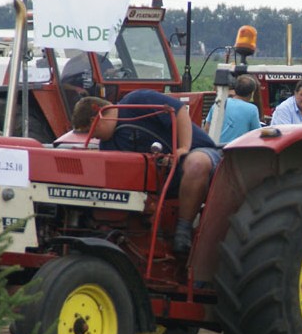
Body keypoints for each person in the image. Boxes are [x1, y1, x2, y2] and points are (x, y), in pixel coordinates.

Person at [72, 90, 222, 254]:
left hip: (197, 152)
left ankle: (183, 229)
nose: (94, 137)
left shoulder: (137, 100)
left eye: (91, 132)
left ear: (96, 120)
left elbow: (179, 111)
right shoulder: (108, 145)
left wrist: (183, 148)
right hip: (163, 177)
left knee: (196, 164)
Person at [204, 75, 261, 143]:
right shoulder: (252, 109)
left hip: (216, 147)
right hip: (236, 148)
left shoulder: (219, 104)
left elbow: (207, 128)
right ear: (251, 94)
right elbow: (257, 133)